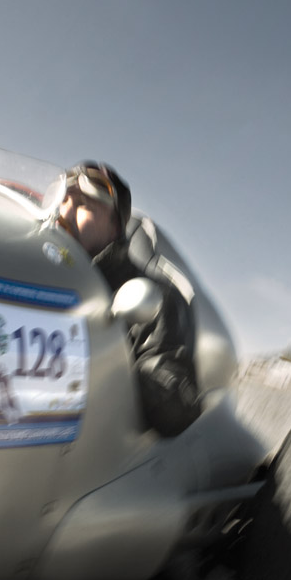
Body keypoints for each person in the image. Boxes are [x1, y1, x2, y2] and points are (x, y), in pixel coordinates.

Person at [54, 160, 201, 436]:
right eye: (63, 201)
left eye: (84, 204)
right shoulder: (46, 269)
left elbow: (176, 407)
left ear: (116, 226)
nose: (65, 213)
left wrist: (120, 380)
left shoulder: (150, 296)